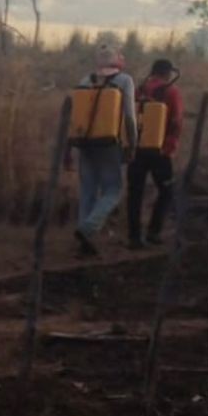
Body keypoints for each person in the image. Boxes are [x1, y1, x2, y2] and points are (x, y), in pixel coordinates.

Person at [71, 43, 136, 257]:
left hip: (84, 143)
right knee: (112, 190)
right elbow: (129, 116)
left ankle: (83, 245)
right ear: (118, 60)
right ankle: (87, 229)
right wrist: (132, 144)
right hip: (110, 144)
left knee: (88, 190)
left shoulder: (85, 81)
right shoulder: (124, 81)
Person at [127, 59, 184, 249]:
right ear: (168, 73)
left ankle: (134, 237)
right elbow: (176, 121)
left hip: (137, 148)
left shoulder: (140, 89)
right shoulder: (171, 91)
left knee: (135, 193)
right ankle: (154, 231)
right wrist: (170, 146)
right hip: (160, 150)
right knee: (167, 190)